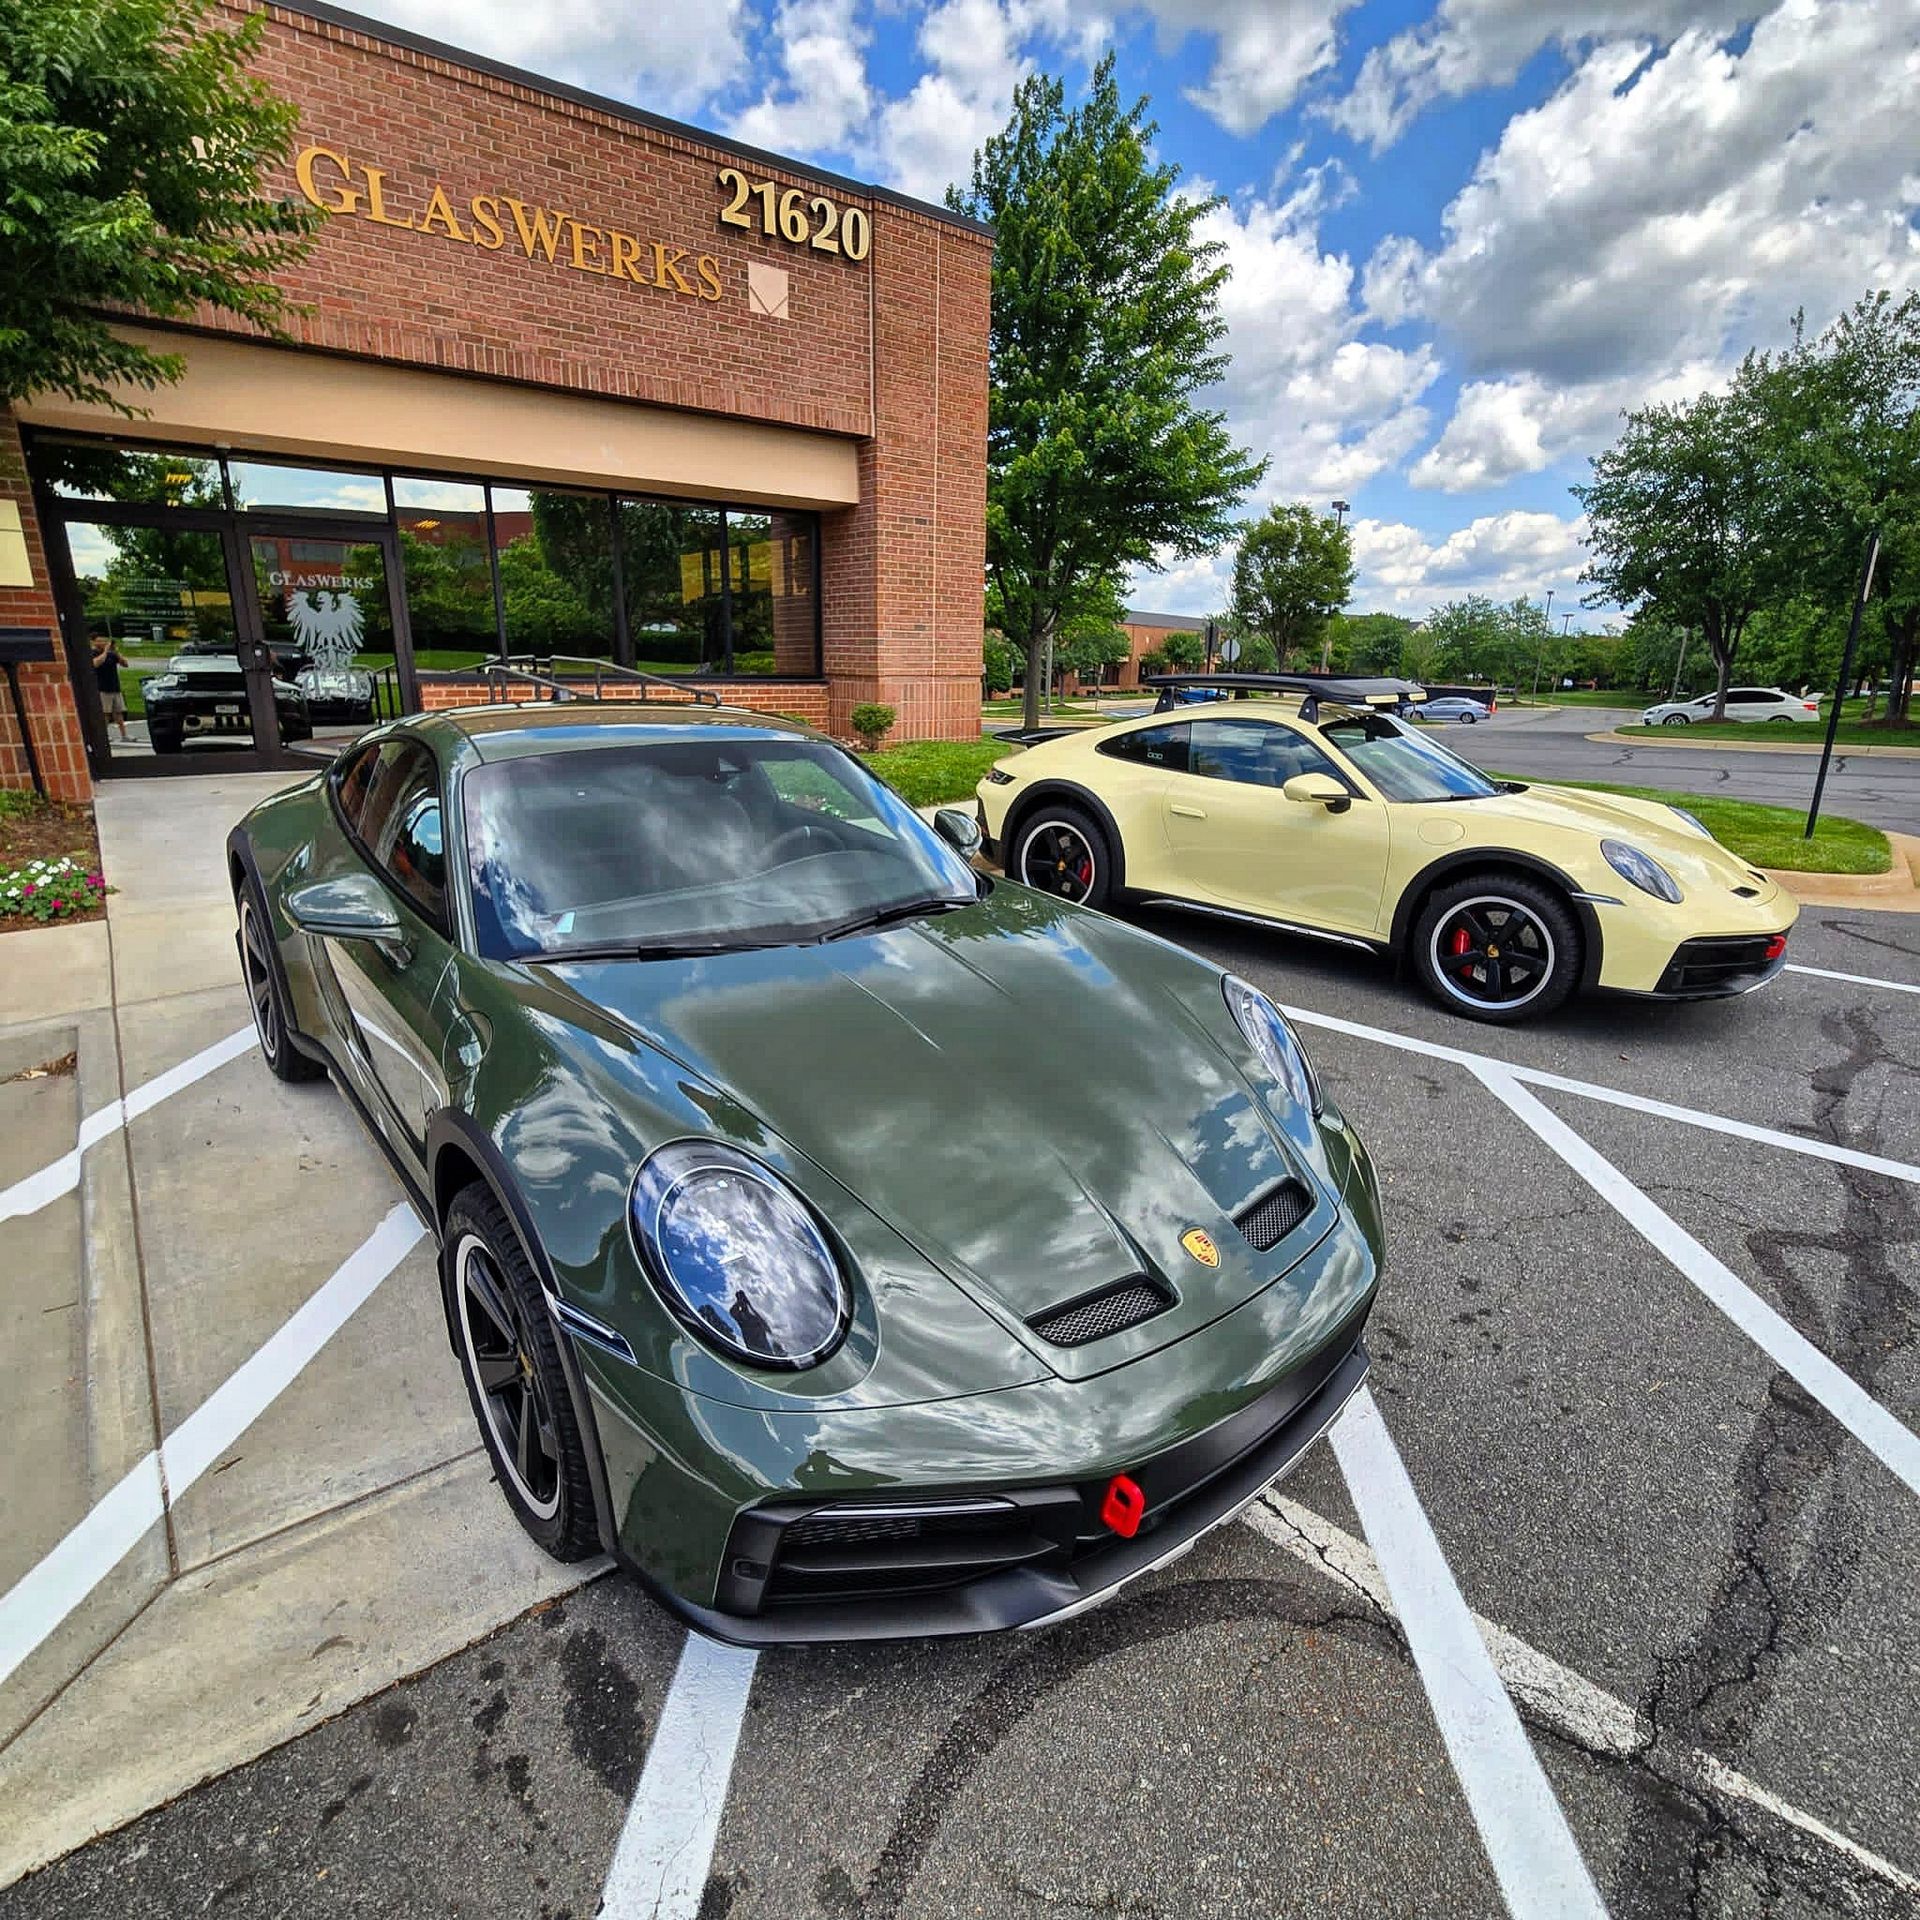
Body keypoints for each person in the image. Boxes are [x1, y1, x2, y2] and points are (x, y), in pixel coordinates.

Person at [91, 631, 129, 741]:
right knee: (105, 714)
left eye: (104, 640)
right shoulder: (93, 653)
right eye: (100, 641)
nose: (103, 642)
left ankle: (124, 735)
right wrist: (106, 651)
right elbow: (96, 663)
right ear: (93, 642)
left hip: (115, 687)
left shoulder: (112, 654)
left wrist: (116, 652)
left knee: (119, 713)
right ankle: (104, 735)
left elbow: (125, 664)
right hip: (103, 688)